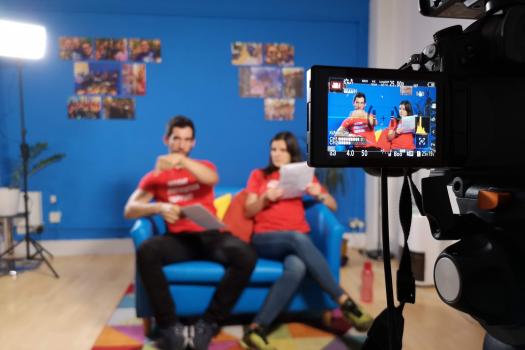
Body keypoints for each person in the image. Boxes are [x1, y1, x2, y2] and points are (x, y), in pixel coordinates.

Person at [124, 116, 257, 350]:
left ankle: (208, 323)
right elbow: (129, 209)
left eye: (187, 140)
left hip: (211, 236)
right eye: (177, 139)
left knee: (246, 255)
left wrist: (182, 162)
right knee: (147, 250)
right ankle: (170, 327)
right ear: (166, 140)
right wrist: (159, 207)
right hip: (180, 240)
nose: (181, 145)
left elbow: (212, 178)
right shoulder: (155, 177)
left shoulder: (204, 167)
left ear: (193, 143)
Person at [241, 131, 374, 350]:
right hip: (265, 239)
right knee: (295, 238)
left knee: (297, 265)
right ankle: (345, 302)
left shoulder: (302, 176)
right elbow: (248, 211)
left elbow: (332, 205)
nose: (276, 154)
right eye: (273, 149)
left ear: (291, 152)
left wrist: (318, 193)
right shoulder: (259, 175)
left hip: (297, 242)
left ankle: (256, 328)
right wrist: (265, 198)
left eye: (282, 150)